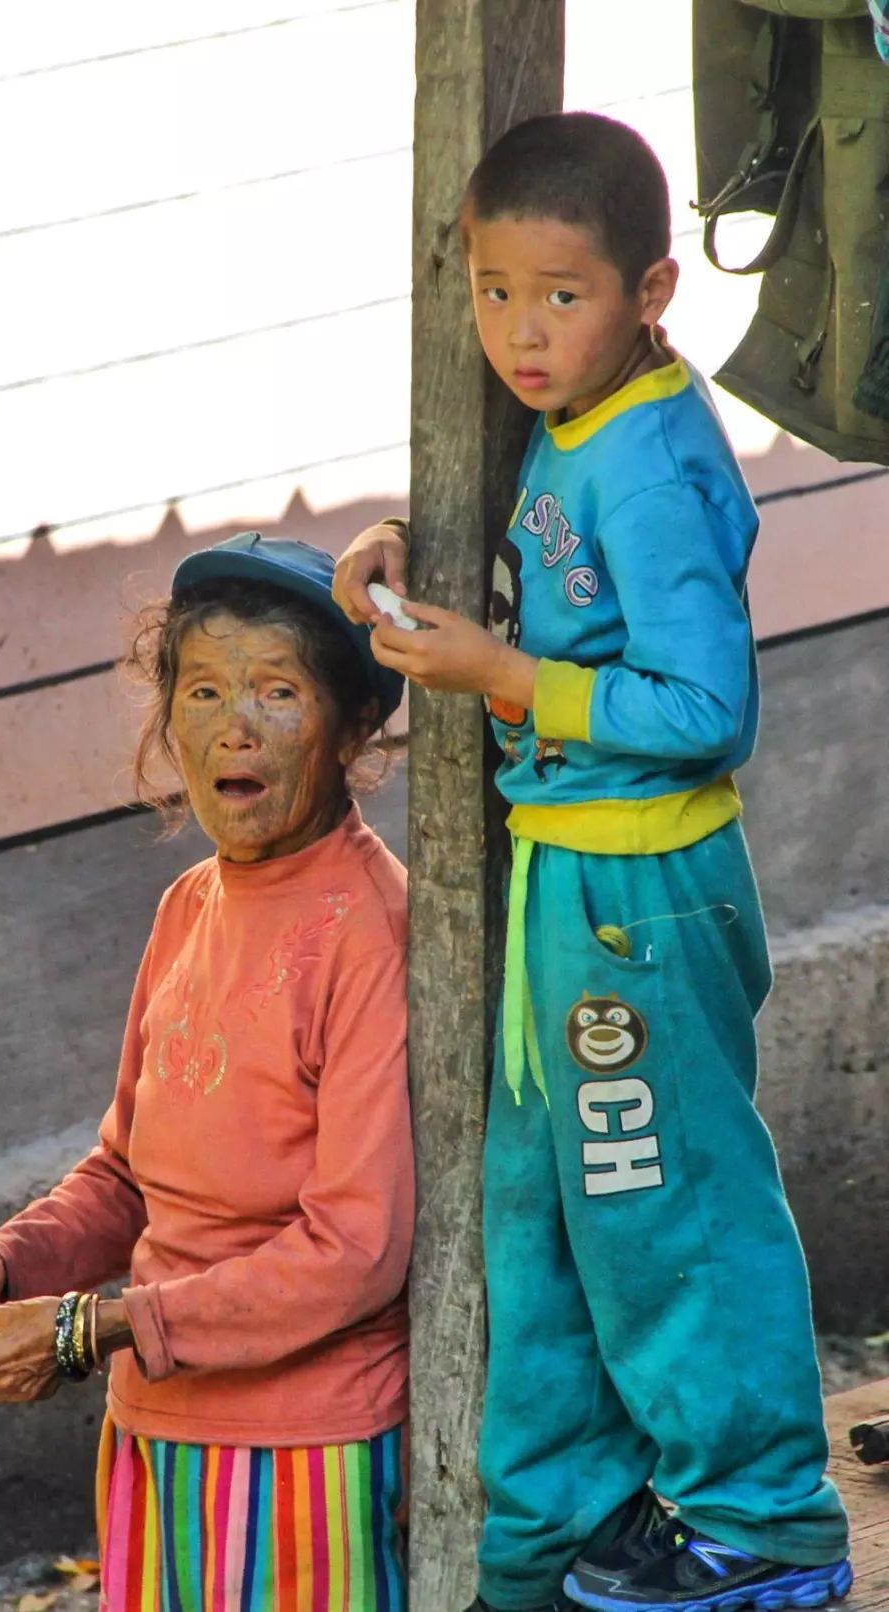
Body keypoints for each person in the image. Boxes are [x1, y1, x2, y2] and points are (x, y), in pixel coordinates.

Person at [333, 112, 852, 1612]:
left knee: (664, 1208)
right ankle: (557, 1533)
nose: (520, 330)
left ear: (653, 291)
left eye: (561, 294)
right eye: (494, 291)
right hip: (561, 887)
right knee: (548, 1211)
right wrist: (402, 540)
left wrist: (505, 677)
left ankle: (758, 1524)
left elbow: (704, 709)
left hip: (640, 893)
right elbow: (535, 567)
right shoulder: (571, 427)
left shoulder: (653, 455)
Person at [0, 534, 412, 1612]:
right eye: (205, 688)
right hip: (153, 1431)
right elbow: (126, 1174)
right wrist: (7, 1267)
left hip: (304, 1451)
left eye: (279, 690)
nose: (235, 723)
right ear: (167, 718)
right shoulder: (189, 907)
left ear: (353, 728)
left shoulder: (374, 930)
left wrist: (93, 1327)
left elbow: (356, 1250)